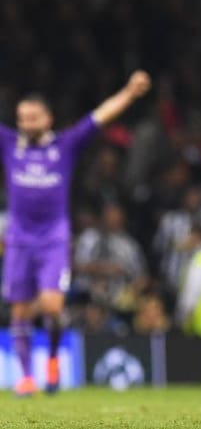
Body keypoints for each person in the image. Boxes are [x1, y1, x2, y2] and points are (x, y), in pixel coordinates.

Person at [0, 70, 151, 396]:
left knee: (52, 307)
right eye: (22, 118)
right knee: (19, 310)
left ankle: (53, 358)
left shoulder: (65, 145)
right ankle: (26, 378)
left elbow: (100, 116)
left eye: (33, 118)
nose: (27, 124)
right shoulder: (9, 143)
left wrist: (129, 91)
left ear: (48, 118)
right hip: (19, 239)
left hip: (53, 238)